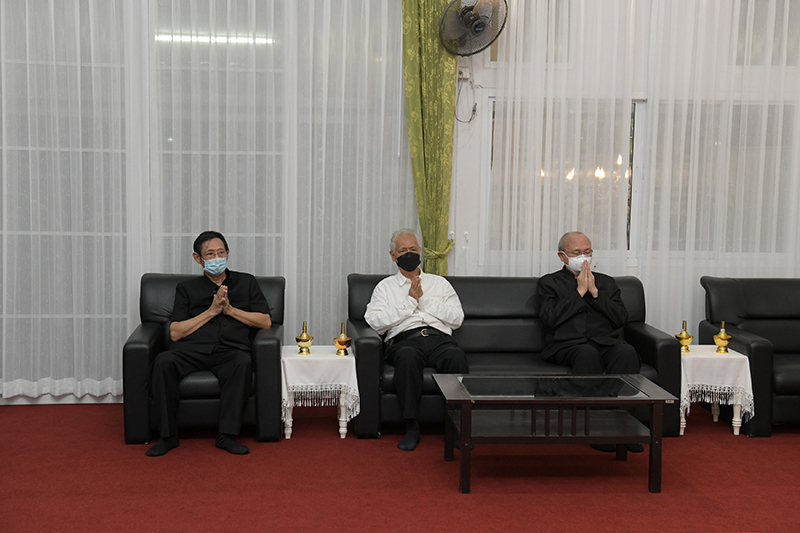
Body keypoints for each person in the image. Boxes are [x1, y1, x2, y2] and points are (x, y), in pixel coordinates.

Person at [146, 231, 272, 457]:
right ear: (198, 258)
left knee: (242, 362)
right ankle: (167, 436)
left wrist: (230, 310)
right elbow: (175, 332)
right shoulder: (186, 288)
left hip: (231, 350)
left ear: (228, 253)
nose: (217, 258)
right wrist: (212, 311)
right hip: (192, 349)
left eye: (221, 253)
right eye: (210, 254)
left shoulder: (247, 282)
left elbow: (265, 321)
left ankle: (227, 435)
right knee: (163, 362)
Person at [537, 231, 642, 453]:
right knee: (586, 353)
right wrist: (578, 292)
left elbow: (620, 319)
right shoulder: (549, 283)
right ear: (562, 256)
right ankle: (596, 429)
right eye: (576, 253)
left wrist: (595, 293)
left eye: (587, 252)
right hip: (567, 344)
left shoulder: (606, 283)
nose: (583, 257)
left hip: (604, 342)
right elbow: (550, 319)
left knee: (626, 352)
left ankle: (624, 427)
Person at [364, 229, 469, 451]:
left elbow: (457, 318)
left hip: (439, 338)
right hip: (405, 340)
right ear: (393, 256)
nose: (409, 254)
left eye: (413, 249)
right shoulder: (385, 287)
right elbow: (375, 322)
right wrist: (410, 303)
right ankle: (411, 426)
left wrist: (424, 301)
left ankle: (457, 425)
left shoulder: (439, 284)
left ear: (420, 251)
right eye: (403, 250)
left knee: (456, 357)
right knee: (407, 358)